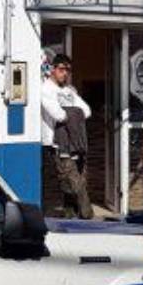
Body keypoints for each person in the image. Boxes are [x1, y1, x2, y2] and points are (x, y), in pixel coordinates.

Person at [41, 53, 94, 219]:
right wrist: (73, 112)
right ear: (53, 69)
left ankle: (69, 213)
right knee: (71, 178)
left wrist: (70, 112)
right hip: (56, 142)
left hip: (74, 141)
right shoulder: (46, 89)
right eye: (62, 69)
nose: (65, 73)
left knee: (73, 178)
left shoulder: (69, 91)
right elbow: (58, 115)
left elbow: (86, 110)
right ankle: (87, 213)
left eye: (68, 70)